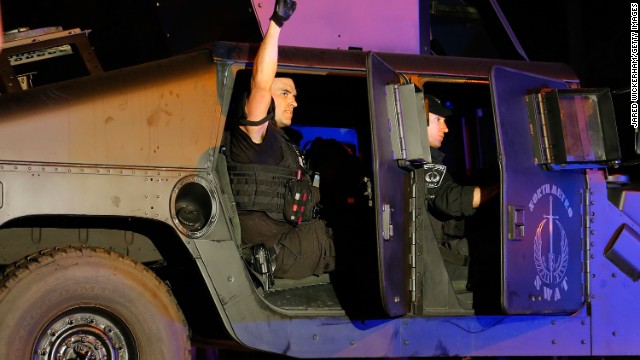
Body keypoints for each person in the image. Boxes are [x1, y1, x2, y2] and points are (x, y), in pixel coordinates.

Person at [226, 0, 335, 284]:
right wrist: (276, 24)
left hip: (298, 247)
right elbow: (261, 84)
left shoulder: (283, 144)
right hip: (280, 255)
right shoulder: (254, 138)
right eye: (285, 93)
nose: (294, 101)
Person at [423, 94, 496, 293]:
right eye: (438, 120)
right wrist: (502, 190)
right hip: (437, 262)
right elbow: (449, 200)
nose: (445, 128)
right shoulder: (421, 164)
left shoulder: (428, 161)